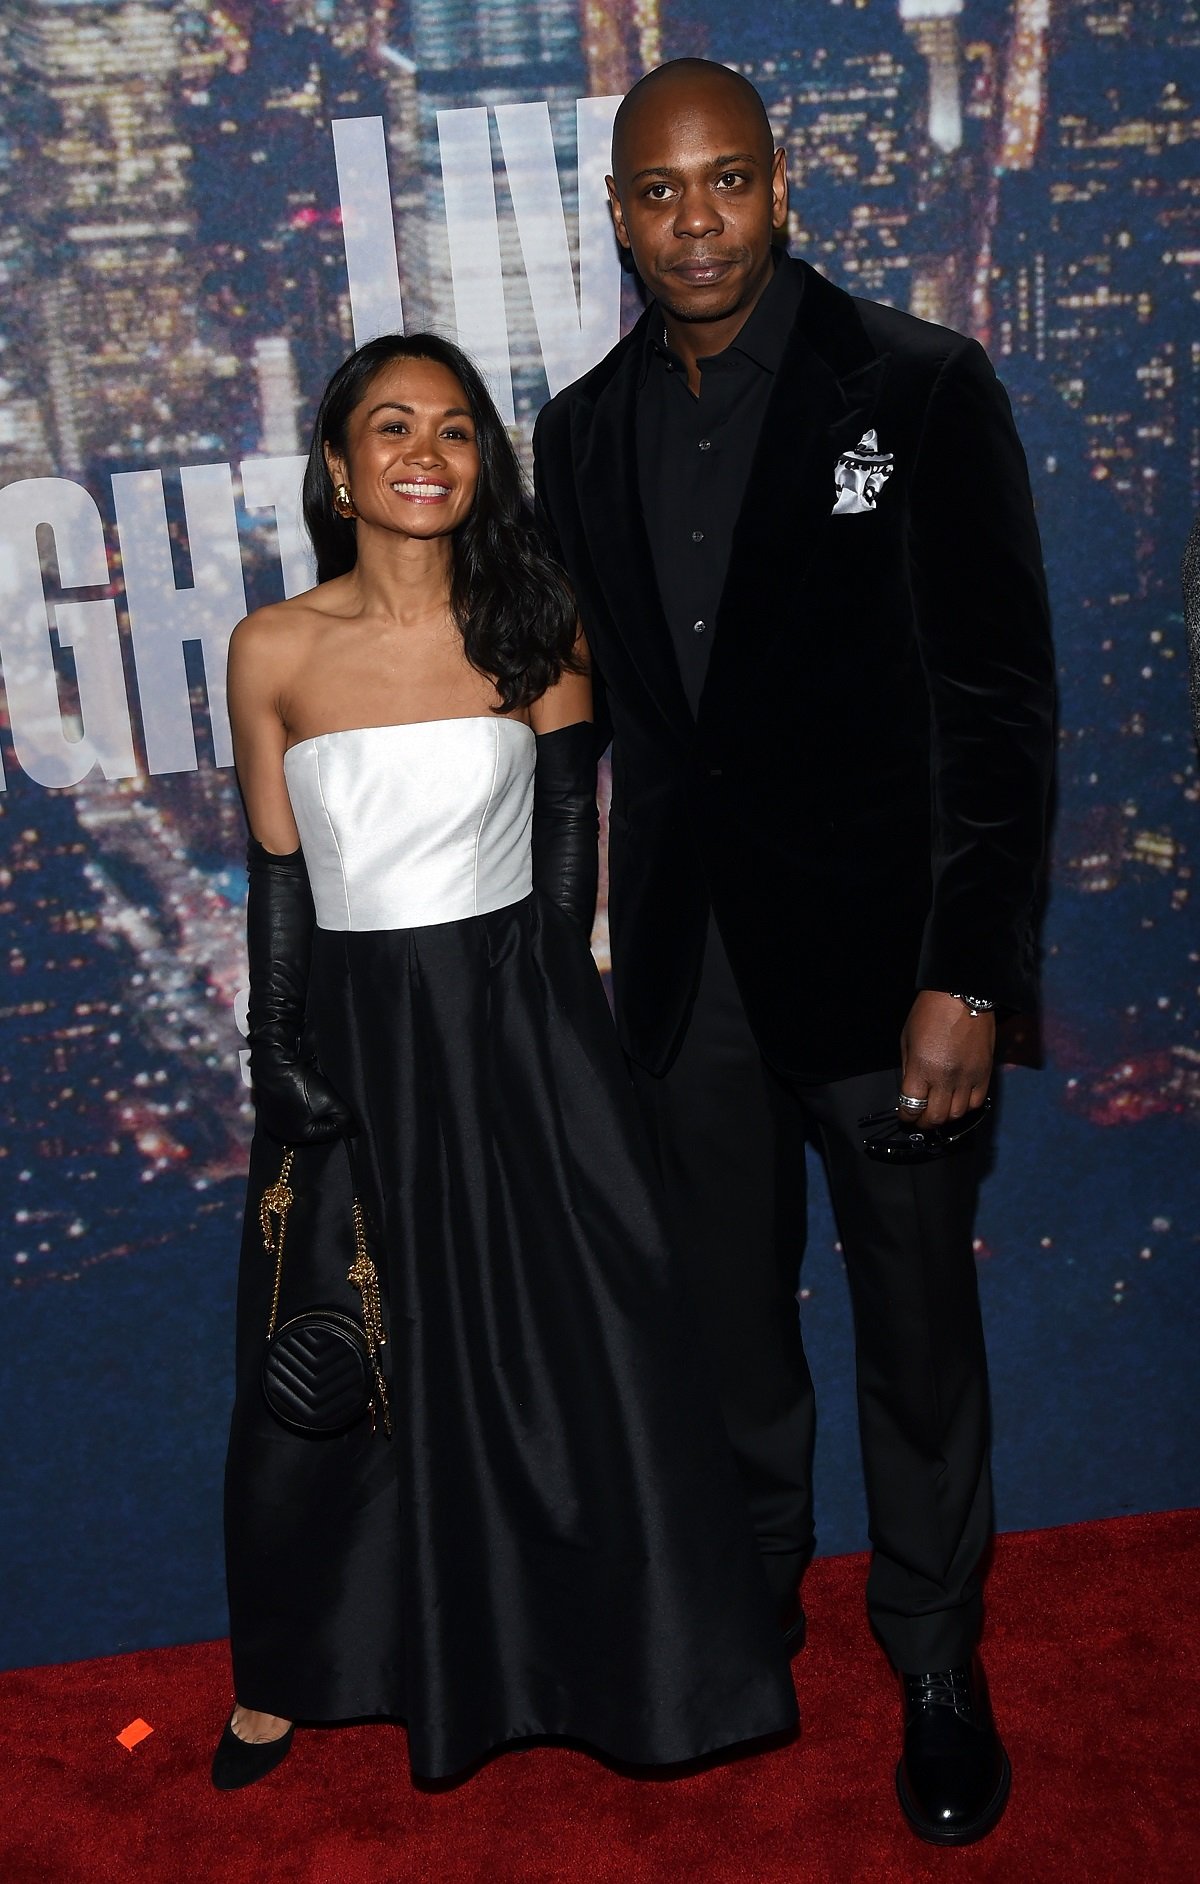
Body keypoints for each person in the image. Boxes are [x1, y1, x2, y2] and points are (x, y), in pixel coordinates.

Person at [533, 59, 1056, 1846]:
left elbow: (996, 711)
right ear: (618, 216)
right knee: (729, 1334)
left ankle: (931, 1650)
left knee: (918, 1328)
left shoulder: (912, 387)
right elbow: (584, 724)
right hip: (688, 986)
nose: (696, 220)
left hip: (887, 978)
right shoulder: (581, 430)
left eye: (726, 183)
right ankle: (753, 1613)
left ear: (781, 189)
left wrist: (969, 974)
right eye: (660, 192)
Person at [213, 332, 796, 1791]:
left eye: (457, 428)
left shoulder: (539, 622)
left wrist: (545, 1019)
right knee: (335, 1363)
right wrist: (273, 1052)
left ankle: (626, 1658)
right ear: (338, 467)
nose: (425, 451)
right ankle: (299, 1669)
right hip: (354, 1041)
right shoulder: (273, 648)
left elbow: (565, 850)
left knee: (581, 1349)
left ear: (484, 465)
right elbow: (279, 876)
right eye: (391, 426)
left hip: (521, 1025)